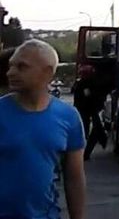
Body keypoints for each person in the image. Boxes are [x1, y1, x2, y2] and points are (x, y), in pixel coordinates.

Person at [1, 39, 87, 219]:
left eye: (21, 67)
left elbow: (74, 178)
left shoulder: (68, 117)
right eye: (11, 66)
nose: (10, 72)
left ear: (47, 72)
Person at [72, 67, 109, 161]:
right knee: (90, 132)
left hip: (86, 111)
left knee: (91, 131)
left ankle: (86, 153)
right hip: (87, 111)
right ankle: (85, 153)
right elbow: (89, 98)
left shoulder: (82, 83)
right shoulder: (85, 84)